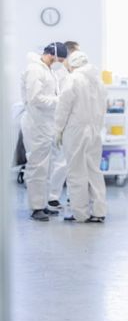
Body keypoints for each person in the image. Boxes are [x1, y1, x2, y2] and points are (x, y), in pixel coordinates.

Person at [54, 51, 107, 223]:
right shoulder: (98, 81)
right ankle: (99, 211)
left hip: (76, 130)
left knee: (76, 171)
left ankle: (80, 213)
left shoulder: (73, 79)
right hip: (94, 130)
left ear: (73, 64)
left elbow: (63, 107)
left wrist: (58, 130)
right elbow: (102, 108)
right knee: (94, 171)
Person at [21, 42, 67, 221]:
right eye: (60, 59)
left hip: (45, 123)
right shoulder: (35, 70)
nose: (60, 63)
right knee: (37, 166)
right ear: (52, 55)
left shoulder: (48, 70)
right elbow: (35, 99)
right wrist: (59, 100)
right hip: (36, 123)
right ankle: (36, 207)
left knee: (46, 167)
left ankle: (43, 203)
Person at [47, 40, 81, 210]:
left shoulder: (69, 73)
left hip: (69, 123)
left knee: (68, 162)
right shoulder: (60, 73)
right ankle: (52, 197)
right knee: (60, 162)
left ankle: (68, 196)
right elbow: (62, 99)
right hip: (59, 122)